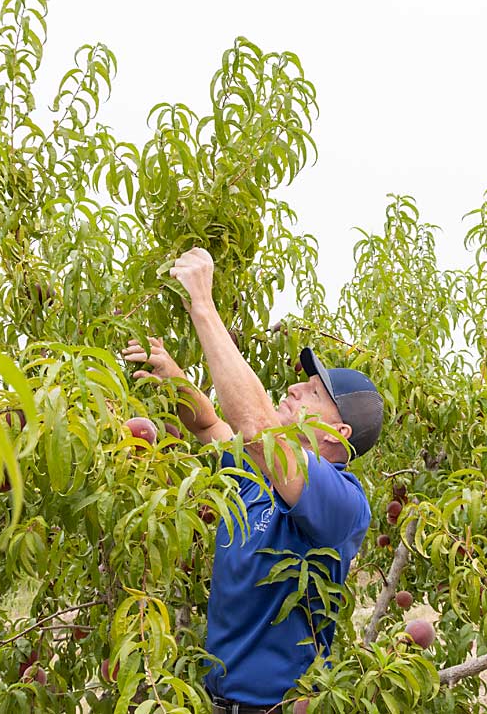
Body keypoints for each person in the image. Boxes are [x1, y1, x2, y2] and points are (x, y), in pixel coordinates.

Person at [121, 247, 383, 713]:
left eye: (314, 393)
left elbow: (256, 428)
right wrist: (174, 377)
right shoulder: (258, 476)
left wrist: (204, 306)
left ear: (338, 434)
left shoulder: (343, 501)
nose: (294, 388)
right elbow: (210, 427)